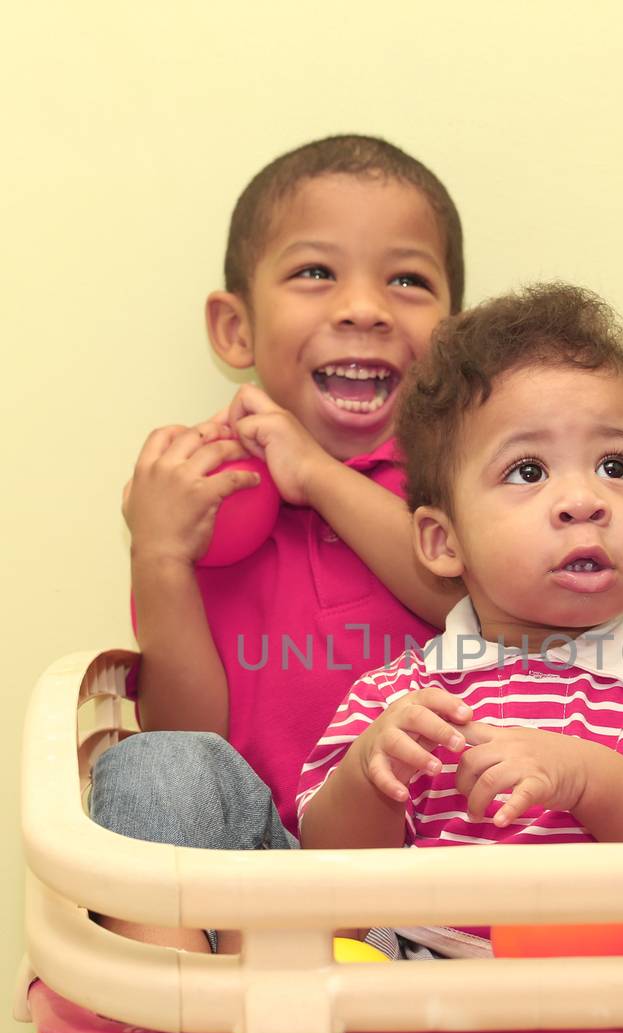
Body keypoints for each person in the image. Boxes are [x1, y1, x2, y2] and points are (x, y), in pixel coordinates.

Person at [296, 283, 623, 949]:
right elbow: (326, 876)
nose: (581, 499)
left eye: (614, 465)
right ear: (441, 541)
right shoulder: (399, 697)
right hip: (432, 986)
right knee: (339, 962)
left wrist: (589, 780)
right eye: (528, 470)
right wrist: (373, 773)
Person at [89, 135, 466, 949]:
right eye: (315, 272)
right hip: (266, 888)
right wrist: (159, 556)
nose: (364, 306)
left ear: (454, 341)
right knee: (152, 767)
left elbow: (465, 595)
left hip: (451, 876)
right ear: (235, 330)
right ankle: (185, 1031)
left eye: (407, 279)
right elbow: (190, 732)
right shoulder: (209, 499)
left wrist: (320, 476)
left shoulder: (470, 488)